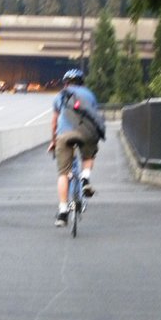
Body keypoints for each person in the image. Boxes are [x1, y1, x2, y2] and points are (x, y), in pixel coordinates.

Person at [48, 69, 101, 227]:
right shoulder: (89, 95)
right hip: (85, 133)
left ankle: (63, 211)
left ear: (66, 83)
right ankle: (85, 178)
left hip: (64, 135)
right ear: (81, 82)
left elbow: (54, 123)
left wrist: (53, 140)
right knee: (89, 155)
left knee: (63, 174)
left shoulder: (59, 96)